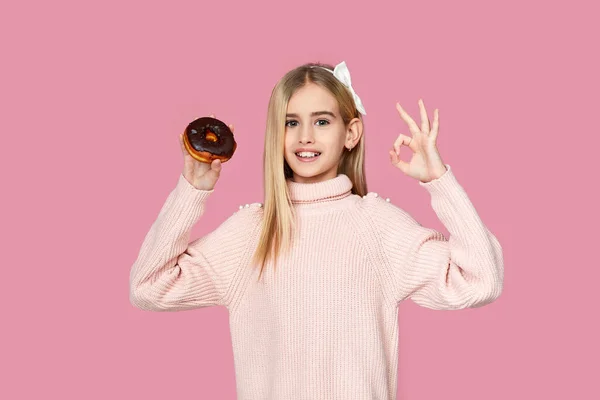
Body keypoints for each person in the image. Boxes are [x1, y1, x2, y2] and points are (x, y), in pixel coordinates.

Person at [129, 61, 504, 400]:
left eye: (322, 121)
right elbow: (149, 285)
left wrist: (439, 181)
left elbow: (480, 281)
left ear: (351, 132)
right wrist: (192, 189)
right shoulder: (251, 233)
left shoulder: (377, 226)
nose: (305, 136)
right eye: (291, 123)